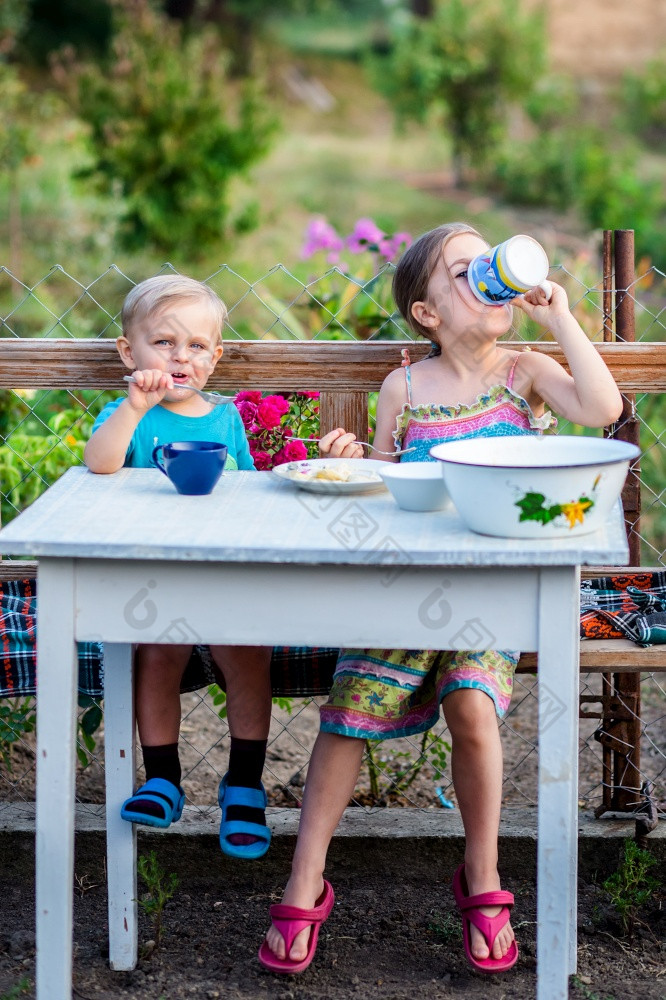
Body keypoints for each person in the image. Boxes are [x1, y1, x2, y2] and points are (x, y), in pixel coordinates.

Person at [259, 222, 623, 974]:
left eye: (491, 264)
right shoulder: (404, 387)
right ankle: (305, 878)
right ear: (426, 313)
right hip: (409, 591)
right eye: (465, 272)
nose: (489, 277)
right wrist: (354, 458)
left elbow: (602, 409)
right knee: (349, 706)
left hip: (491, 593)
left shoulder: (524, 371)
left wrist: (558, 315)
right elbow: (391, 490)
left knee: (471, 702)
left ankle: (482, 875)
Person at [84, 274, 273, 859]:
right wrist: (134, 409)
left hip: (220, 571)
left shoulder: (224, 419)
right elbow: (100, 463)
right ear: (128, 352)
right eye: (163, 343)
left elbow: (245, 492)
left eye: (195, 346)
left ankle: (244, 784)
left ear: (215, 357)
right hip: (153, 575)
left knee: (246, 651)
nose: (179, 357)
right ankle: (162, 777)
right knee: (158, 652)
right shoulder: (129, 413)